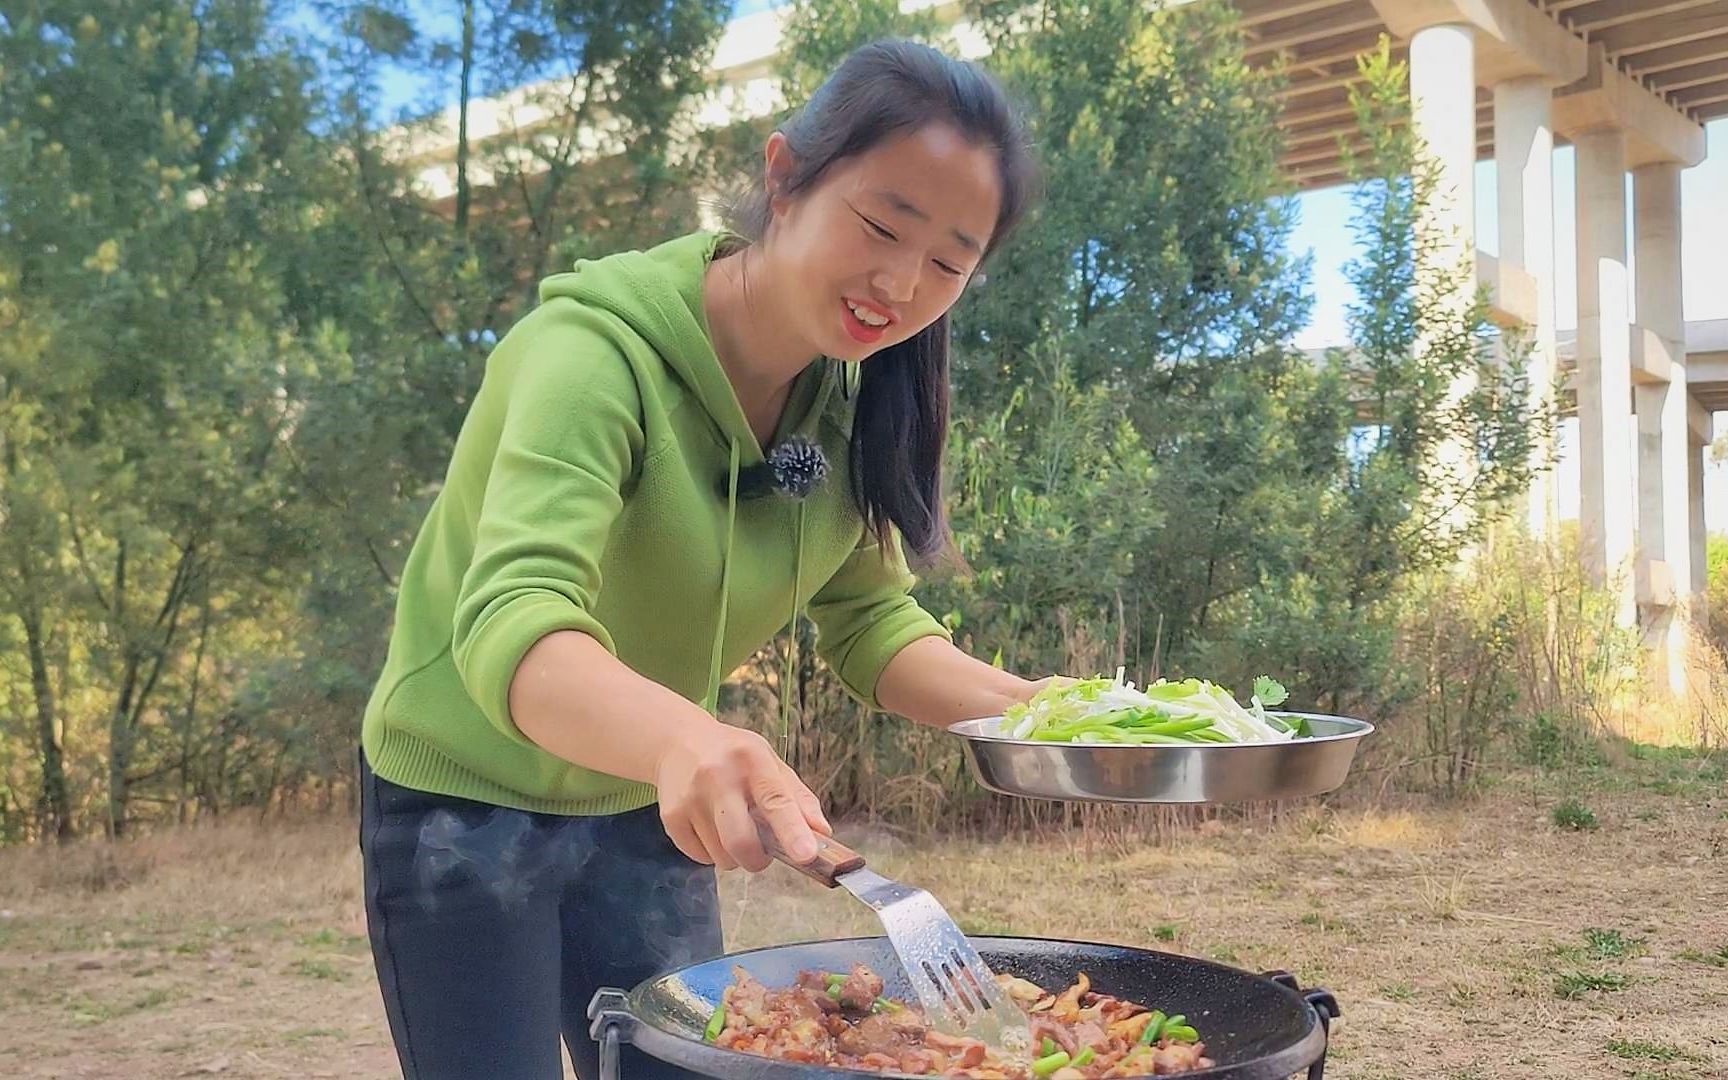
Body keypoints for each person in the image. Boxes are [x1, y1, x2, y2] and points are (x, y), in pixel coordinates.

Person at [356, 37, 1045, 1080]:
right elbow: (515, 619)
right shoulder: (592, 355)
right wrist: (689, 739)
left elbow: (873, 625)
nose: (901, 283)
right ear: (784, 178)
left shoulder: (846, 401)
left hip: (642, 798)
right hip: (462, 798)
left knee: (682, 1071)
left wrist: (1046, 717)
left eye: (949, 262)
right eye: (880, 224)